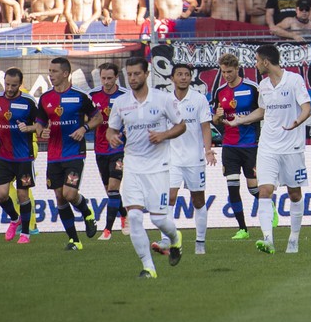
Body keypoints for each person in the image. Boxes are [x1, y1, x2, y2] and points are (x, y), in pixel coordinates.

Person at [107, 58, 187, 278]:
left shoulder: (162, 100)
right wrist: (112, 137)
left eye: (136, 74)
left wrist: (163, 135)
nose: (132, 78)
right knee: (133, 217)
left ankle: (175, 239)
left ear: (146, 74)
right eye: (129, 74)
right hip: (132, 165)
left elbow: (181, 126)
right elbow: (111, 129)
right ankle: (148, 267)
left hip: (158, 166)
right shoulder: (121, 102)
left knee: (159, 219)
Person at [252, 44, 311, 255]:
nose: (256, 64)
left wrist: (297, 122)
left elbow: (307, 107)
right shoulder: (264, 85)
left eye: (257, 60)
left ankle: (294, 238)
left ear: (266, 62)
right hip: (268, 146)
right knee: (265, 190)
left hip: (292, 146)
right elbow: (263, 110)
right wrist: (241, 120)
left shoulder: (294, 80)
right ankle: (268, 239)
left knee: (294, 193)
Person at [36, 57, 99, 251]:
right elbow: (39, 123)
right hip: (53, 155)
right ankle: (75, 240)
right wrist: (41, 131)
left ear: (65, 73)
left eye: (54, 71)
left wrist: (85, 128)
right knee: (60, 197)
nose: (50, 74)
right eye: (49, 71)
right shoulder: (45, 98)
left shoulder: (80, 96)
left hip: (74, 153)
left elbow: (99, 117)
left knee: (69, 193)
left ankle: (87, 212)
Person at [153, 62, 215, 255]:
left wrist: (208, 150)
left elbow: (205, 127)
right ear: (172, 78)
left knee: (198, 201)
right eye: (179, 74)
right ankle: (166, 240)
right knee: (169, 197)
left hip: (194, 158)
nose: (183, 77)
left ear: (190, 78)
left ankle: (200, 243)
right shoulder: (164, 101)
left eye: (186, 74)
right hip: (171, 159)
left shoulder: (199, 99)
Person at [212, 52, 263, 240]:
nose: (226, 75)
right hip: (229, 145)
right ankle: (243, 229)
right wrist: (217, 116)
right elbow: (216, 120)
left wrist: (245, 120)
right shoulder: (220, 91)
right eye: (223, 72)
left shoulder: (252, 88)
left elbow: (263, 111)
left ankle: (269, 205)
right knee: (232, 186)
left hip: (250, 145)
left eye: (230, 71)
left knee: (253, 188)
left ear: (237, 69)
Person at [0, 67, 37, 245]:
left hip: (23, 156)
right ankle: (14, 218)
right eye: (7, 84)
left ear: (20, 84)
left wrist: (29, 128)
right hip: (3, 156)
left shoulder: (29, 102)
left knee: (22, 195)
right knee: (1, 194)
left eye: (14, 85)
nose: (9, 88)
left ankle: (25, 233)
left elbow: (40, 125)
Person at [89, 62, 127, 240]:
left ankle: (107, 230)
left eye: (109, 78)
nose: (106, 81)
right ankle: (125, 214)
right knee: (110, 191)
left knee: (113, 187)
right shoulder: (93, 95)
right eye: (103, 78)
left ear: (116, 77)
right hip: (100, 149)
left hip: (118, 148)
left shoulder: (125, 96)